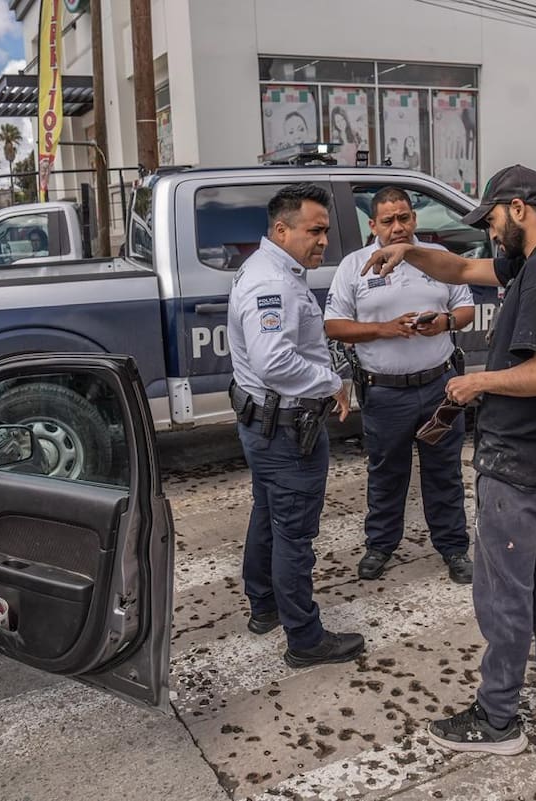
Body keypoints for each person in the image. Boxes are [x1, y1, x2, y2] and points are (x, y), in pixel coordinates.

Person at [363, 165, 536, 755]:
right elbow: (463, 269)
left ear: (518, 209)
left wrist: (478, 384)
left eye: (492, 219)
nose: (490, 234)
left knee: (503, 594)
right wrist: (409, 252)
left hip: (517, 461)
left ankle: (498, 721)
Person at [227, 183, 364, 669]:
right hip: (286, 429)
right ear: (281, 230)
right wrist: (331, 383)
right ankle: (305, 638)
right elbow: (275, 362)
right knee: (294, 533)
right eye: (315, 230)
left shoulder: (274, 268)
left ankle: (265, 606)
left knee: (268, 515)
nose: (323, 240)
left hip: (264, 423)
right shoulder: (275, 283)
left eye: (325, 231)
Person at [324, 187, 476, 585]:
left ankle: (454, 547)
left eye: (404, 218)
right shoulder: (354, 265)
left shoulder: (436, 260)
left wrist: (444, 323)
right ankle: (381, 545)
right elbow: (334, 325)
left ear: (414, 219)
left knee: (444, 473)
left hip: (439, 388)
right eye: (388, 221)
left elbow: (466, 309)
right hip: (386, 393)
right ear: (372, 225)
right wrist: (384, 330)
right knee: (387, 473)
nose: (398, 227)